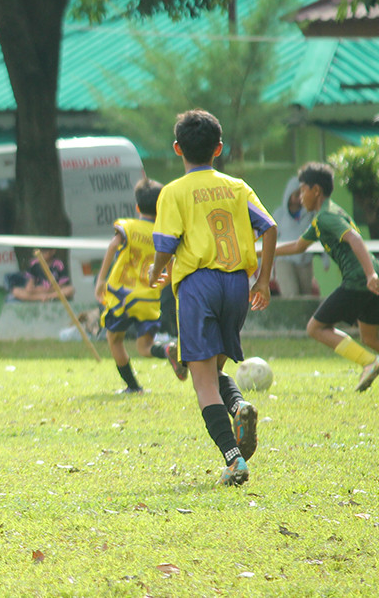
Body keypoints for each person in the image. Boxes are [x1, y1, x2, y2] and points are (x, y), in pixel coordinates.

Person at [149, 109, 277, 487]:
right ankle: (238, 405)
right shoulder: (237, 186)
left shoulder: (174, 192)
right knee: (211, 369)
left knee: (202, 382)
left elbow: (167, 243)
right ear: (218, 148)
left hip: (198, 285)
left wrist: (157, 268)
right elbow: (269, 227)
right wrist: (264, 280)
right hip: (237, 284)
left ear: (177, 149)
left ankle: (234, 460)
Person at [273, 162, 379, 391]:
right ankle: (373, 360)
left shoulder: (325, 217)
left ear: (316, 191)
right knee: (371, 337)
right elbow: (298, 246)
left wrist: (369, 274)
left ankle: (369, 362)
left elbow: (355, 239)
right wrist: (261, 251)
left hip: (360, 277)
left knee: (315, 328)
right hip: (371, 274)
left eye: (303, 190)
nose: (300, 196)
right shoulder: (328, 213)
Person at [94, 178, 187, 394]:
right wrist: (170, 282)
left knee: (114, 340)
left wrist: (101, 281)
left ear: (137, 207)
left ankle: (133, 387)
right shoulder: (162, 233)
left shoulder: (128, 227)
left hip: (122, 296)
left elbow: (112, 246)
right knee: (144, 348)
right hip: (148, 299)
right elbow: (171, 261)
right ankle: (166, 350)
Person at [272, 175, 317, 296]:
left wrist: (325, 259)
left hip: (304, 260)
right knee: (291, 294)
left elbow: (317, 235)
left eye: (301, 195)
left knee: (306, 295)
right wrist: (262, 264)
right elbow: (270, 238)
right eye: (296, 195)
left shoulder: (310, 214)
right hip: (284, 259)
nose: (298, 199)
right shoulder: (279, 214)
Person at [10, 248, 75, 301]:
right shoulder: (34, 264)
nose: (42, 254)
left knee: (70, 290)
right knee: (16, 291)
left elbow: (61, 285)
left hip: (53, 291)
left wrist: (49, 290)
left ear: (53, 251)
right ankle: (40, 298)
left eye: (45, 251)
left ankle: (49, 297)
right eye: (41, 251)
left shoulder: (59, 264)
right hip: (38, 292)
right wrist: (35, 289)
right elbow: (29, 286)